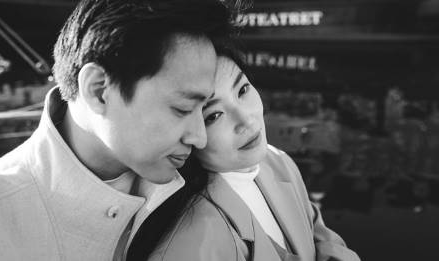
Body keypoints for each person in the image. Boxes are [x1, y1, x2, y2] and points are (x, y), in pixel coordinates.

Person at [0, 0, 243, 260]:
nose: (199, 137)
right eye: (181, 109)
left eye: (204, 111)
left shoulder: (209, 169)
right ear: (98, 90)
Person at [127, 50, 360, 261]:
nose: (246, 120)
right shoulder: (190, 243)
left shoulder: (277, 161)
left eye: (243, 90)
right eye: (214, 115)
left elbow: (320, 237)